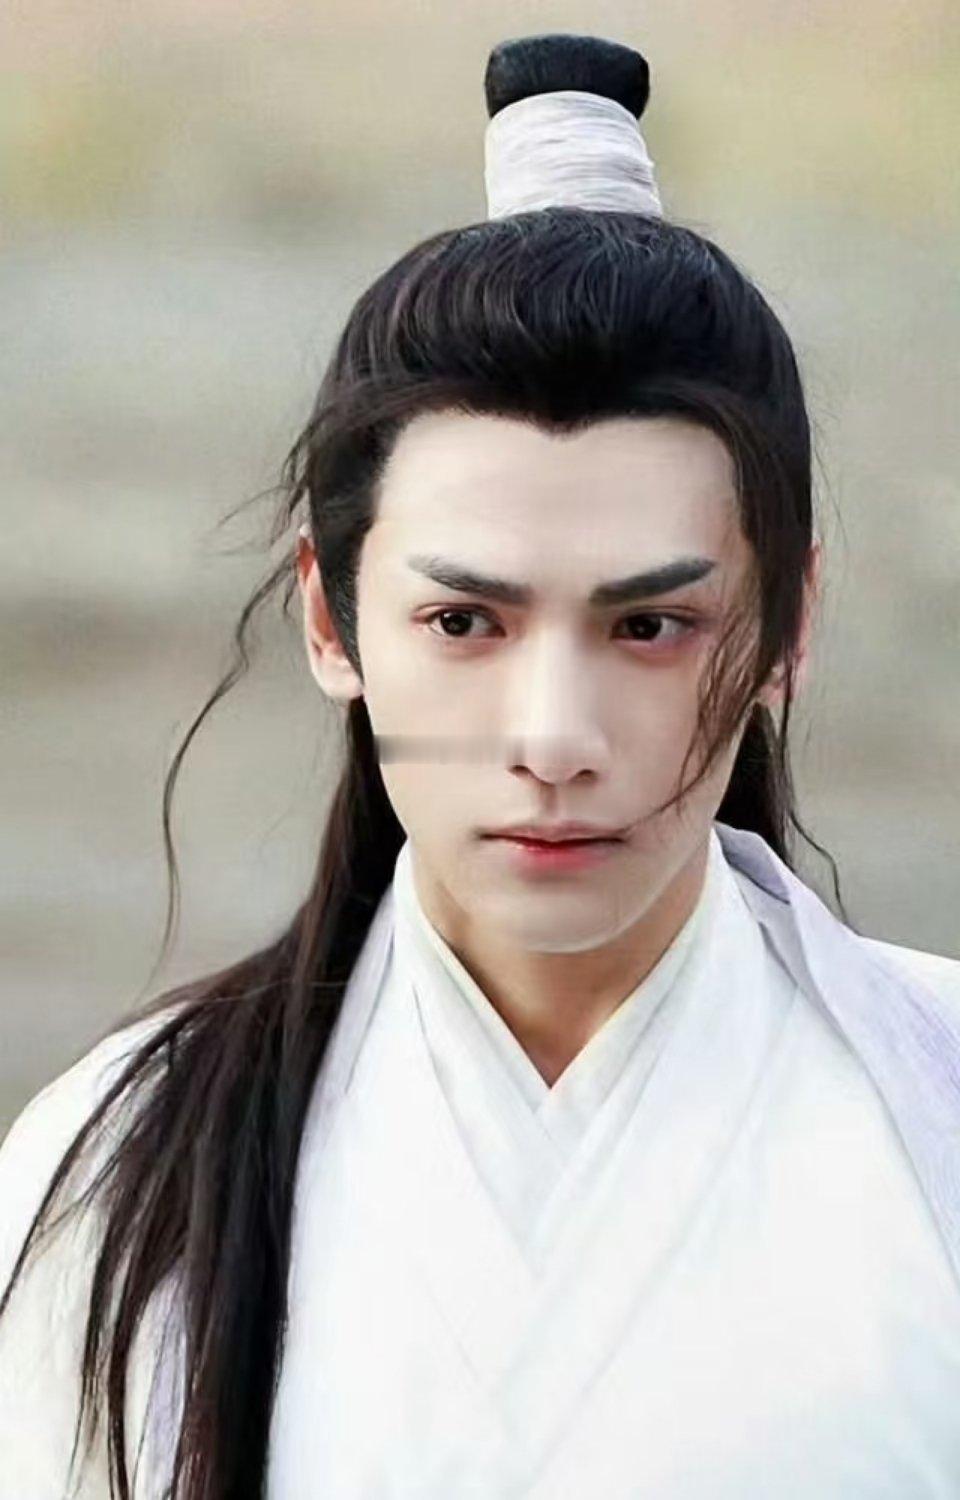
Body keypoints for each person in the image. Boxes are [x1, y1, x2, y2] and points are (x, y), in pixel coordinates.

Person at [1, 30, 959, 1500]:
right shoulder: (119, 1165)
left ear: (788, 627)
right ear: (331, 619)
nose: (554, 738)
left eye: (651, 624)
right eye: (464, 622)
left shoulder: (938, 1108)